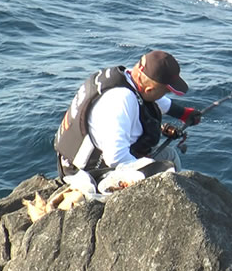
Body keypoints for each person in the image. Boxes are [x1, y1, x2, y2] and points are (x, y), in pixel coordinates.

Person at [54, 50, 201, 179]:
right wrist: (146, 164)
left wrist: (182, 113)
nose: (166, 94)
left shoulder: (126, 77)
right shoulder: (121, 100)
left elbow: (152, 96)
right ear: (150, 90)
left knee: (166, 155)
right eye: (166, 90)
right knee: (169, 161)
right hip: (87, 173)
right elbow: (115, 157)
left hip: (70, 160)